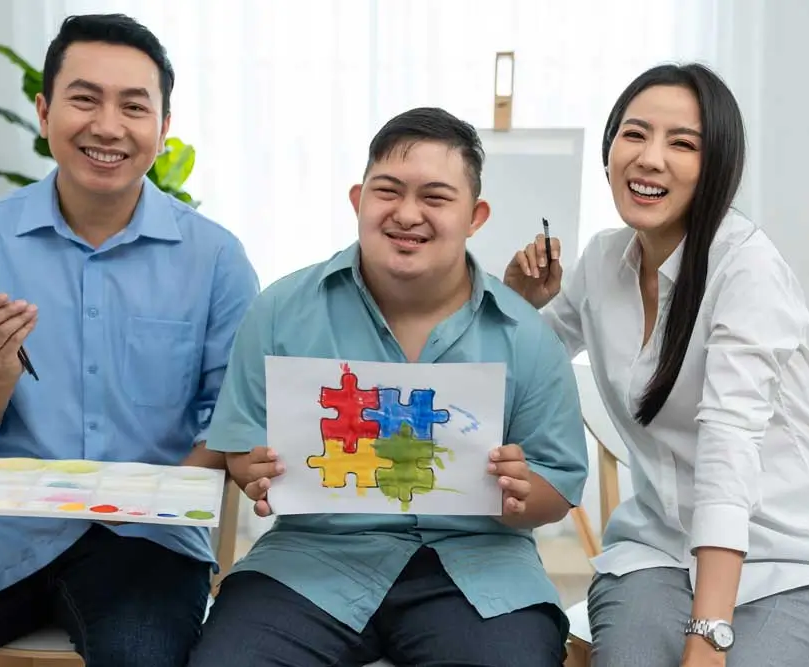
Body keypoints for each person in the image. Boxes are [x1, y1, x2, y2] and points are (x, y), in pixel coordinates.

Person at [0, 13, 258, 667]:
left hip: (149, 543)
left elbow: (238, 417)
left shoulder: (216, 257)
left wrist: (159, 498)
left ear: (162, 128)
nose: (107, 126)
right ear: (45, 109)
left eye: (133, 106)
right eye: (84, 98)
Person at [187, 107, 589, 666]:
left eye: (435, 197)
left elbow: (557, 486)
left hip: (479, 567)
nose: (407, 214)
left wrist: (522, 494)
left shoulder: (526, 335)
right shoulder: (280, 311)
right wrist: (248, 468)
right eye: (388, 191)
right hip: (310, 561)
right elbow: (238, 445)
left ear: (475, 216)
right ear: (358, 200)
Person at [505, 63, 809, 667]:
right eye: (635, 134)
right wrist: (518, 300)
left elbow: (728, 445)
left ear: (716, 168)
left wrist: (708, 634)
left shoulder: (746, 268)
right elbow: (522, 372)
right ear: (609, 149)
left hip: (796, 565)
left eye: (683, 144)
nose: (650, 158)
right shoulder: (602, 262)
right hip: (656, 552)